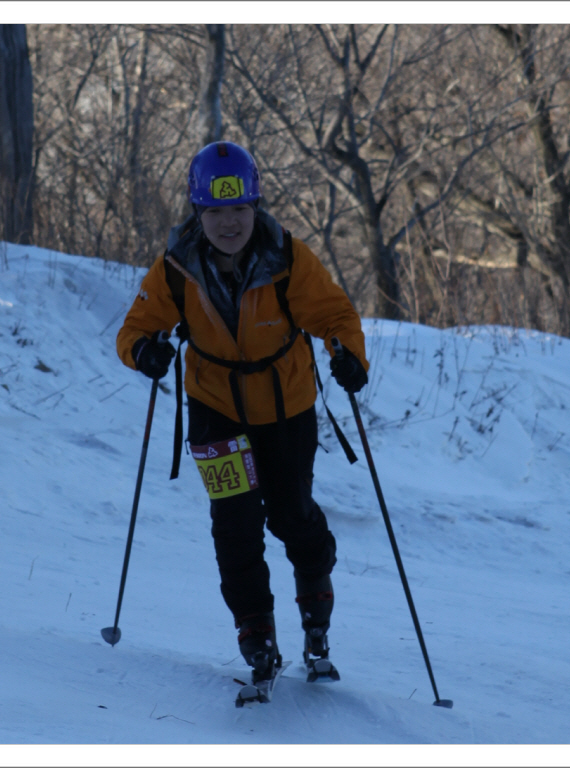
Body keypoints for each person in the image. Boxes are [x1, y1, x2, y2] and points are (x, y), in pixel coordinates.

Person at [116, 141, 369, 684]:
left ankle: (316, 610)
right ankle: (256, 633)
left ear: (255, 206)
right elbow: (135, 329)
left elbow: (334, 315)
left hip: (287, 409)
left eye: (239, 209)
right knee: (234, 524)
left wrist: (347, 355)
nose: (228, 223)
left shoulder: (287, 259)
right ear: (197, 212)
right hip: (214, 409)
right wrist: (144, 352)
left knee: (291, 515)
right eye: (215, 211)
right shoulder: (176, 269)